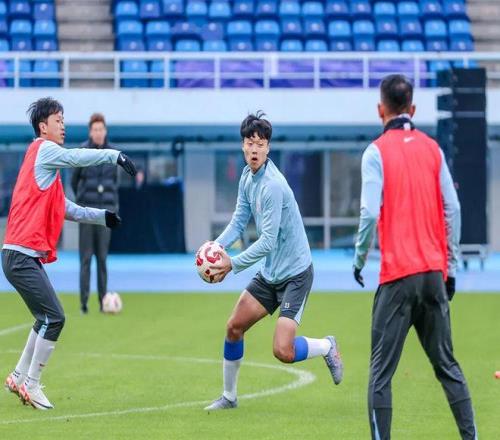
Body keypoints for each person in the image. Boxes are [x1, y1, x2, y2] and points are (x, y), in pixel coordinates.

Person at [353, 75, 477, 439]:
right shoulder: (433, 150)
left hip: (397, 277)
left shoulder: (375, 152)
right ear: (413, 108)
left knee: (380, 374)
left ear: (381, 109)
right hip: (433, 274)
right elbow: (453, 210)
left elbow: (369, 213)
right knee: (447, 366)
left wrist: (359, 259)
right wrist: (449, 268)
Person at [2, 97, 137, 410]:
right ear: (43, 127)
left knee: (43, 318)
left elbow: (68, 209)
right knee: (56, 318)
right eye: (58, 121)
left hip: (20, 256)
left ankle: (18, 376)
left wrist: (102, 217)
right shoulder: (44, 149)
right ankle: (32, 384)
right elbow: (77, 157)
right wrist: (114, 155)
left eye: (63, 120)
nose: (63, 126)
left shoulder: (45, 166)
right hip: (20, 256)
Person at [204, 112, 343, 411]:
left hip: (295, 274)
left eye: (260, 144)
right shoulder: (246, 177)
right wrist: (216, 246)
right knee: (234, 327)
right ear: (243, 146)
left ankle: (327, 346)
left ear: (268, 148)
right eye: (249, 143)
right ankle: (229, 397)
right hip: (270, 273)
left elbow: (267, 241)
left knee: (283, 350)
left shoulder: (273, 186)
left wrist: (231, 264)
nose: (254, 149)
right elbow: (239, 220)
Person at [71, 113, 119, 314]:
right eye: (95, 129)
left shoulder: (112, 154)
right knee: (85, 259)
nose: (98, 133)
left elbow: (114, 183)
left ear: (105, 131)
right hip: (86, 214)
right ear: (90, 132)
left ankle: (103, 302)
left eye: (101, 129)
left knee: (102, 259)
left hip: (105, 215)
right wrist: (82, 201)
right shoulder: (82, 152)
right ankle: (83, 303)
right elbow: (74, 181)